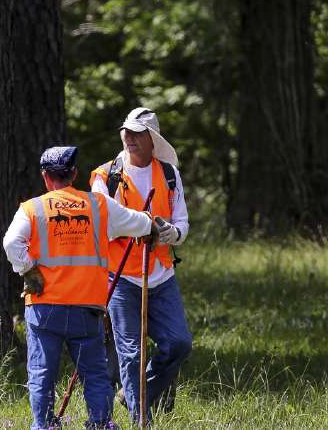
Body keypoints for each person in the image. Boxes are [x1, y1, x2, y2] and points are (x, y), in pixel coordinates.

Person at [3, 146, 177, 430]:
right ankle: (100, 423)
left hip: (45, 307)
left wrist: (27, 268)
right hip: (87, 308)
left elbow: (11, 244)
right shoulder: (99, 205)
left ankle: (44, 426)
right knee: (95, 374)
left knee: (42, 373)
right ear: (74, 174)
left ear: (46, 177)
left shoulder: (32, 208)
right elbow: (138, 222)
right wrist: (153, 225)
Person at [90, 107, 192, 425]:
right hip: (120, 276)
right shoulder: (106, 175)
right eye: (126, 131)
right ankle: (140, 419)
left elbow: (182, 224)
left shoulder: (170, 174)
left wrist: (169, 233)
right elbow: (100, 219)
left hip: (161, 274)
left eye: (137, 133)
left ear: (152, 140)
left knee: (178, 343)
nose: (129, 138)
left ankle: (136, 392)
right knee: (131, 352)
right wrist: (141, 225)